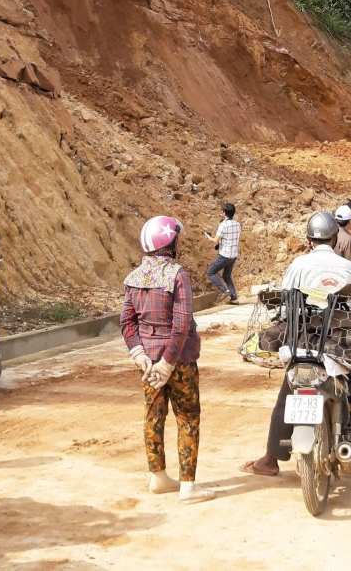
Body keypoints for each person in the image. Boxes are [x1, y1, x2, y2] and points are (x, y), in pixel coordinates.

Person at [242, 212, 351, 477]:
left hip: (304, 344)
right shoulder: (348, 267)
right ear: (336, 237)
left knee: (286, 394)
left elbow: (287, 305)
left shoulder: (299, 264)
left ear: (309, 238)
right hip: (340, 343)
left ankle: (270, 460)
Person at [120, 216, 213, 504]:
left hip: (148, 361)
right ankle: (188, 486)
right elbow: (182, 323)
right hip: (179, 360)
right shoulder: (177, 275)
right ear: (170, 243)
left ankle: (158, 477)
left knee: (153, 415)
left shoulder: (134, 279)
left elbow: (127, 321)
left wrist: (139, 355)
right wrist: (169, 362)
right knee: (187, 417)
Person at [205, 203, 241, 304]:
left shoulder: (223, 225)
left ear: (224, 213)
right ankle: (234, 298)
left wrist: (209, 237)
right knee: (226, 276)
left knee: (210, 272)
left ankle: (224, 290)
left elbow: (215, 240)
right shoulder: (237, 224)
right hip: (233, 255)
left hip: (224, 255)